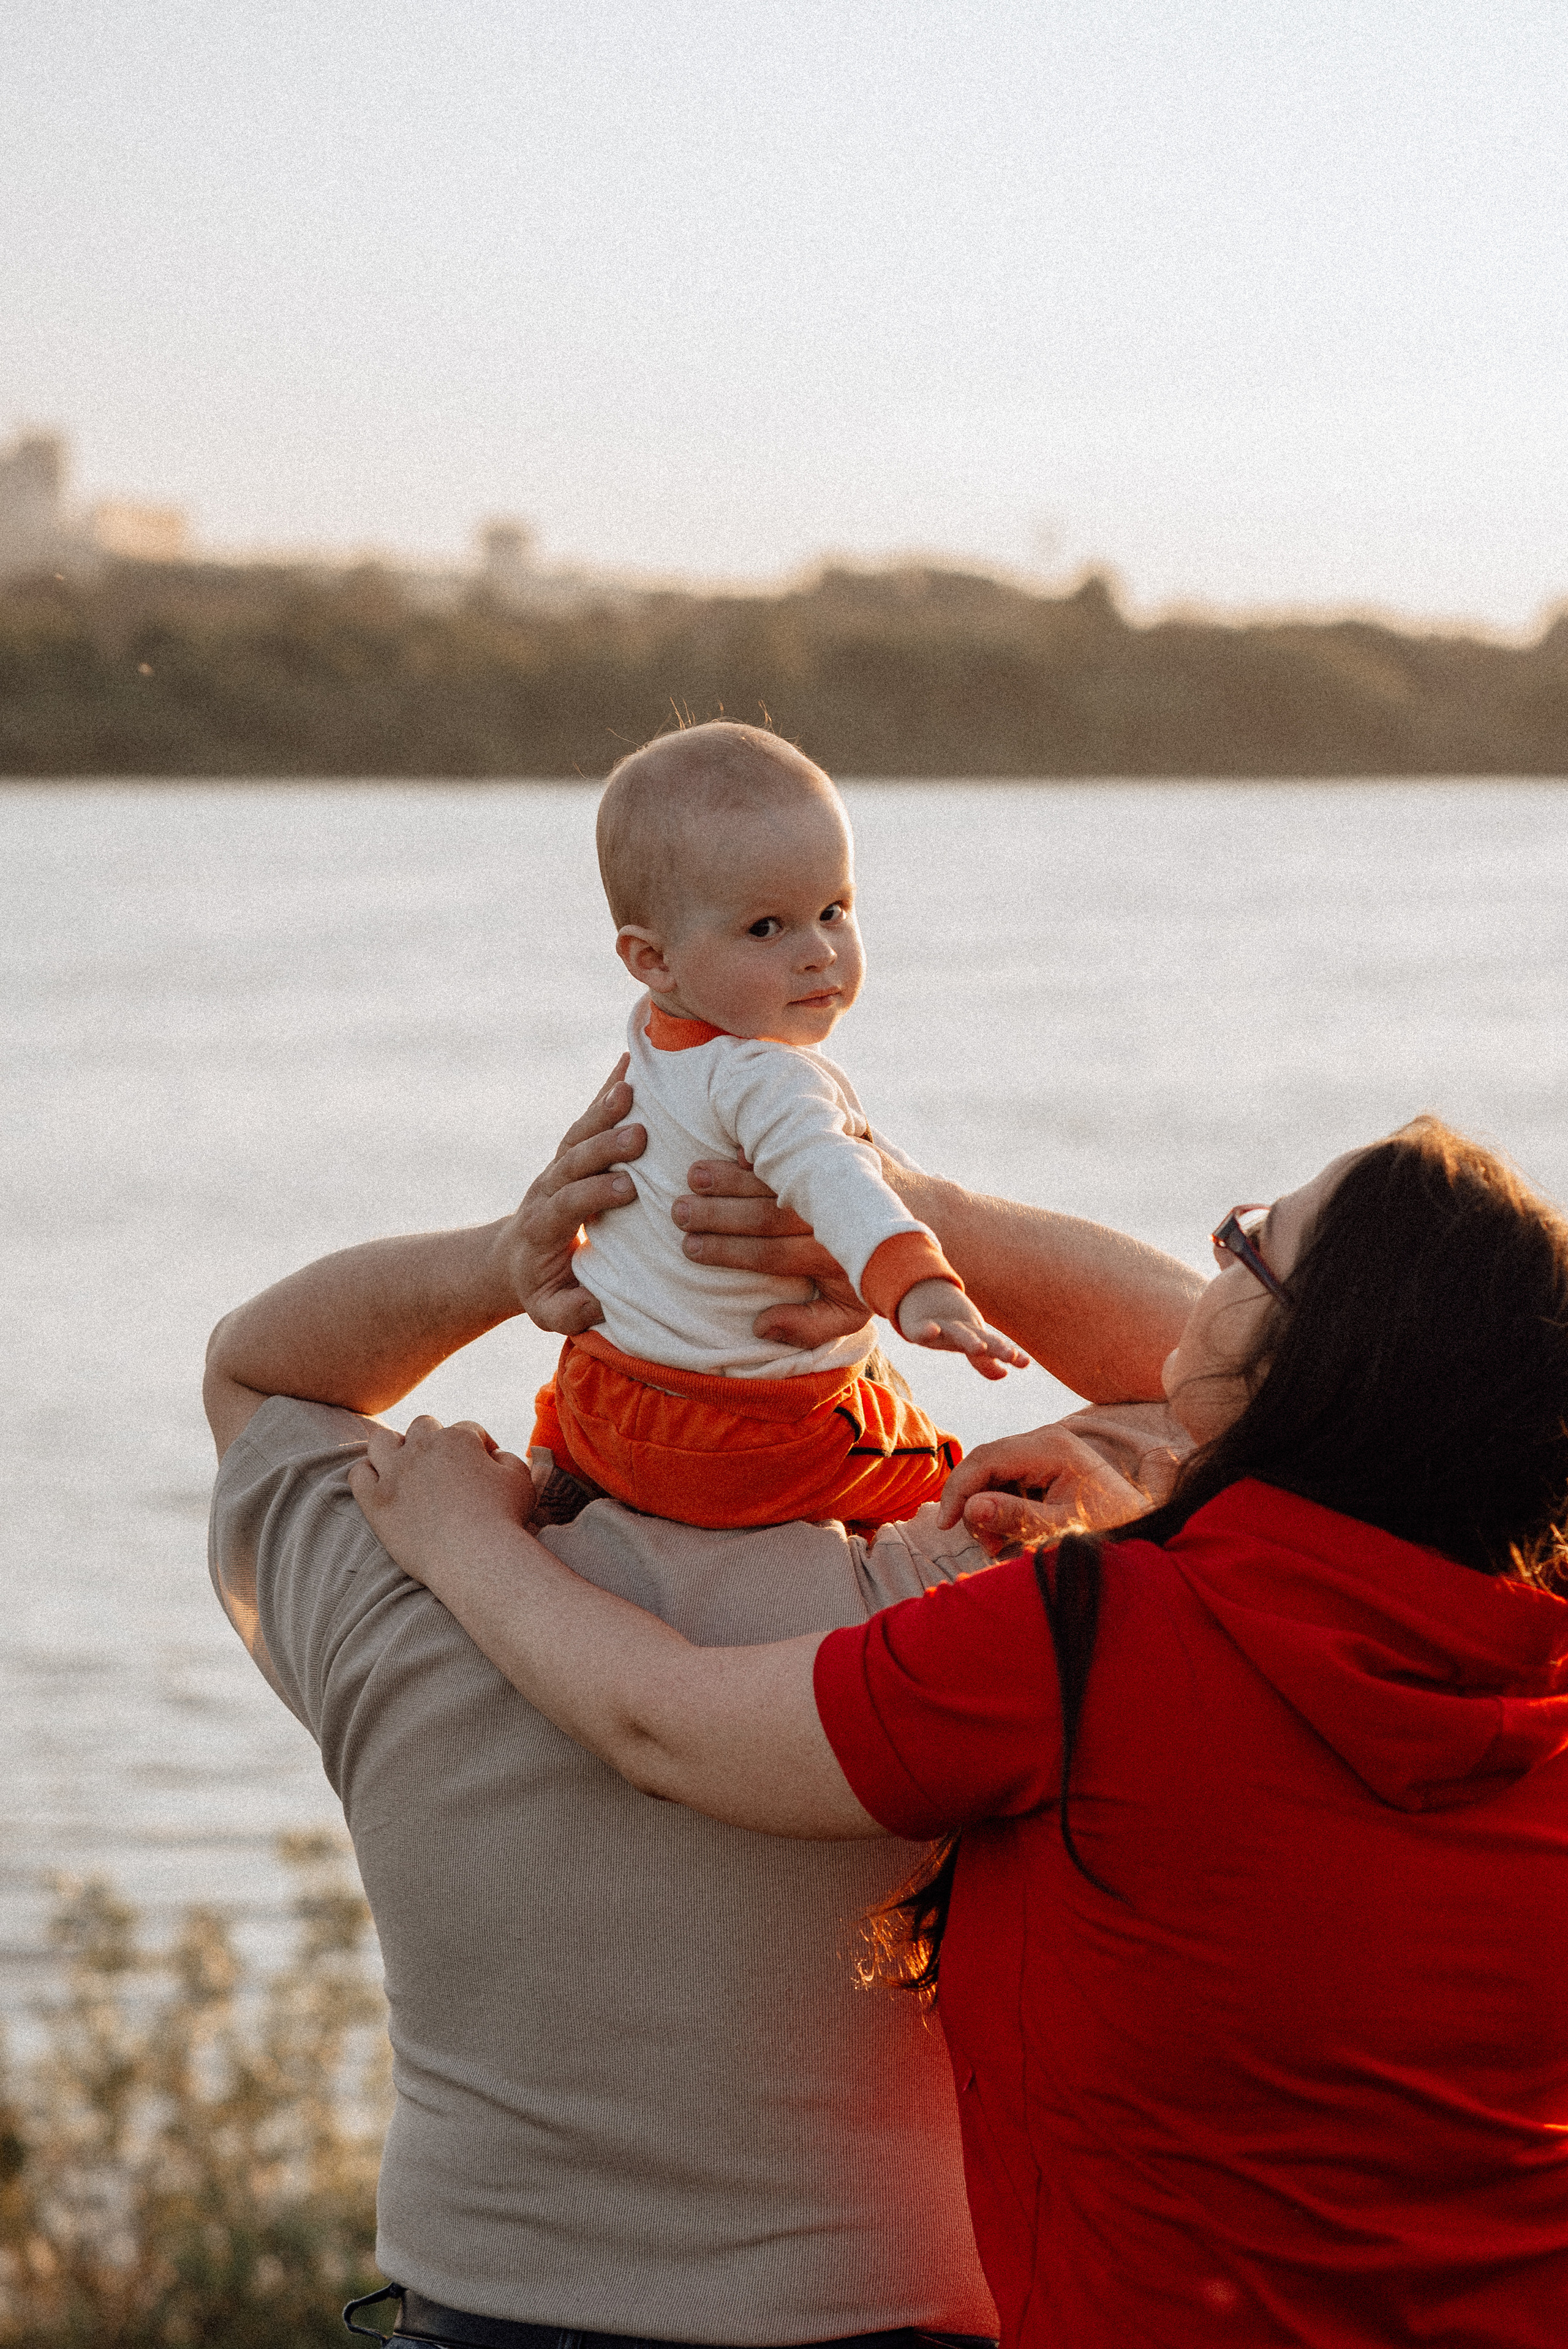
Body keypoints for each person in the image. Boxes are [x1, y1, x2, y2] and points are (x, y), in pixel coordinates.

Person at [349, 1118, 1568, 2349]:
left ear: (1324, 1363)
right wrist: (889, 1215)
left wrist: (462, 1541)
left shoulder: (1092, 1644)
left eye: (1246, 1246)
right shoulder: (1542, 1674)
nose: (1208, 1265)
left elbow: (662, 1724)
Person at [204, 1068, 1200, 2349]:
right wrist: (900, 1211)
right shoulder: (947, 1604)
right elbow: (1241, 1392)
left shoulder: (404, 1582)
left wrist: (506, 1260)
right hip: (890, 2324)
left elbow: (255, 1371)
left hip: (473, 2322)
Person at [530, 721, 1025, 1535]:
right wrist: (917, 1283)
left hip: (602, 1402)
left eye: (834, 910)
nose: (819, 951)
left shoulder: (653, 1038)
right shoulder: (765, 1076)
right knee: (934, 1468)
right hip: (741, 1439)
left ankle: (565, 1487)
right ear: (653, 959)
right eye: (767, 928)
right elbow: (834, 1173)